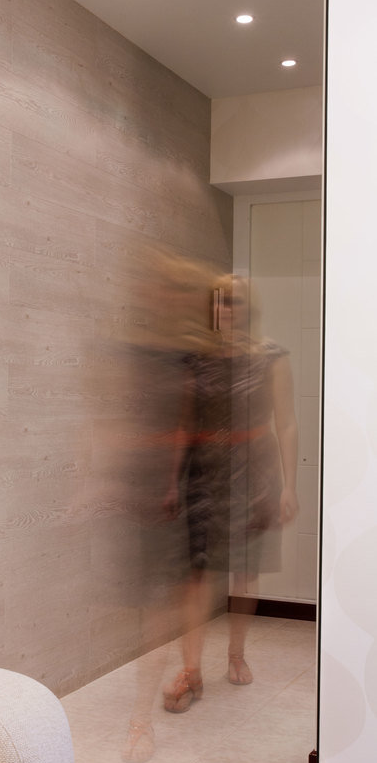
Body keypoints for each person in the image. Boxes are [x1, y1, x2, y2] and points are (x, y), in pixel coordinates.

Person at [160, 274, 299, 713]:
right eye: (219, 302)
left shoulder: (272, 356)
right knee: (197, 573)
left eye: (234, 301)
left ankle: (236, 654)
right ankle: (191, 671)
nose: (226, 309)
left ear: (249, 307)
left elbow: (286, 422)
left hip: (255, 473)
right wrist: (172, 480)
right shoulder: (197, 358)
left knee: (244, 569)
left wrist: (290, 485)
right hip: (205, 474)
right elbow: (185, 422)